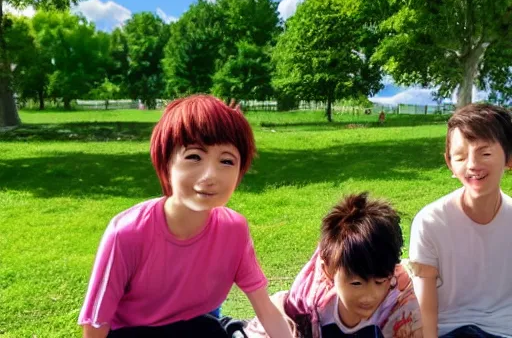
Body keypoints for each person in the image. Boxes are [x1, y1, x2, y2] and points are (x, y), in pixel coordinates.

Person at [78, 95, 294, 338]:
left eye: (226, 161)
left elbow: (266, 310)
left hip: (201, 328)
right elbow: (96, 325)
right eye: (194, 157)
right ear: (166, 161)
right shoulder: (127, 233)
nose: (210, 175)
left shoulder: (234, 230)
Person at [245, 193, 422, 338]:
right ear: (328, 271)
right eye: (356, 283)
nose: (370, 296)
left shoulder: (404, 309)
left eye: (380, 281)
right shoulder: (308, 305)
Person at [409, 103, 512, 338]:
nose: (473, 165)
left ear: (509, 157)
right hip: (449, 330)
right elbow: (425, 307)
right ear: (449, 163)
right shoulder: (430, 221)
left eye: (485, 153)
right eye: (461, 156)